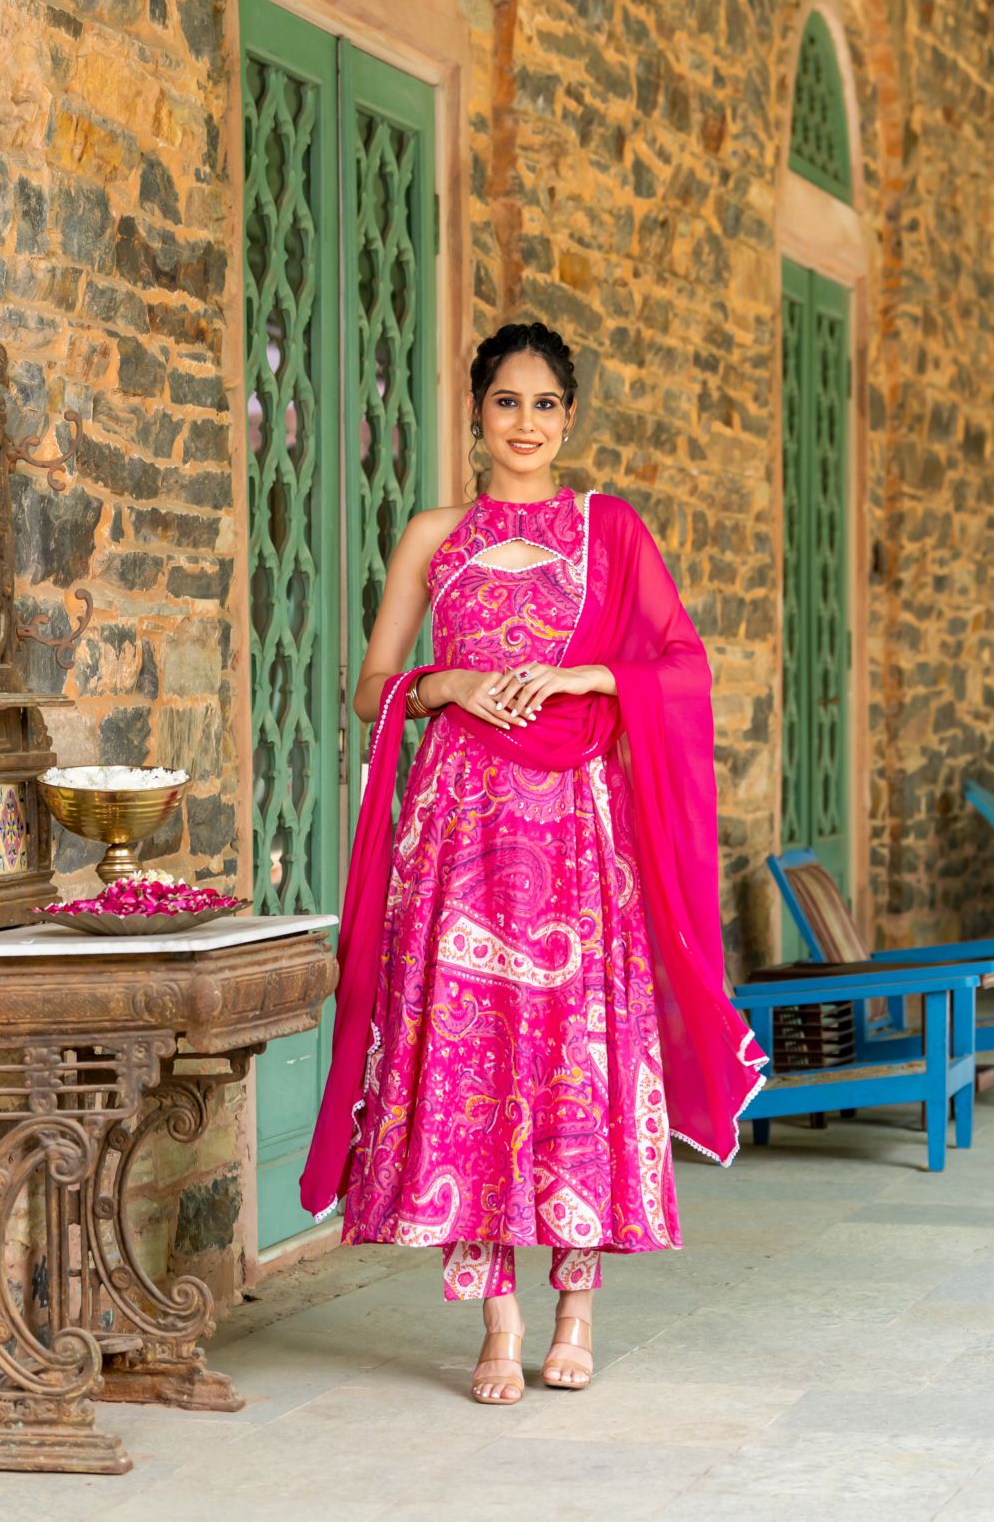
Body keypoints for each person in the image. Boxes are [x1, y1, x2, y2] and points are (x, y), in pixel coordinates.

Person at [300, 322, 764, 1404]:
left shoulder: (609, 530)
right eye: (505, 401)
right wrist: (447, 684)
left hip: (575, 835)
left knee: (573, 1056)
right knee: (469, 1061)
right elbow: (370, 690)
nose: (524, 422)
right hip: (456, 834)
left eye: (544, 403)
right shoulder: (435, 535)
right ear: (476, 411)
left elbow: (682, 665)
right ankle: (498, 1324)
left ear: (569, 417)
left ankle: (576, 1311)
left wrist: (586, 675)